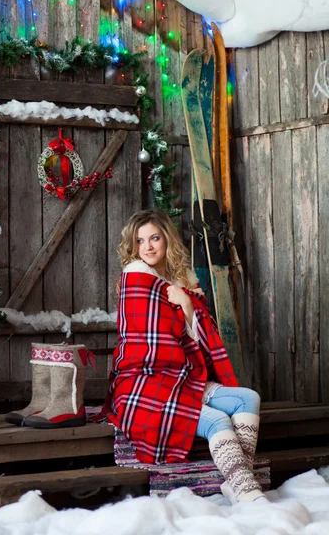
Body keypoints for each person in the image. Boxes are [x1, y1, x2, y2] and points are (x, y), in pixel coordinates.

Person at [97, 208, 265, 504]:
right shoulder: (136, 281)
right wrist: (184, 309)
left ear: (167, 241)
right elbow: (152, 342)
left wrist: (187, 304)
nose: (147, 246)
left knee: (248, 398)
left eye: (154, 238)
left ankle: (238, 481)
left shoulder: (181, 283)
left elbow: (197, 342)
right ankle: (248, 492)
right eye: (140, 241)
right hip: (145, 381)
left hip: (184, 377)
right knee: (216, 420)